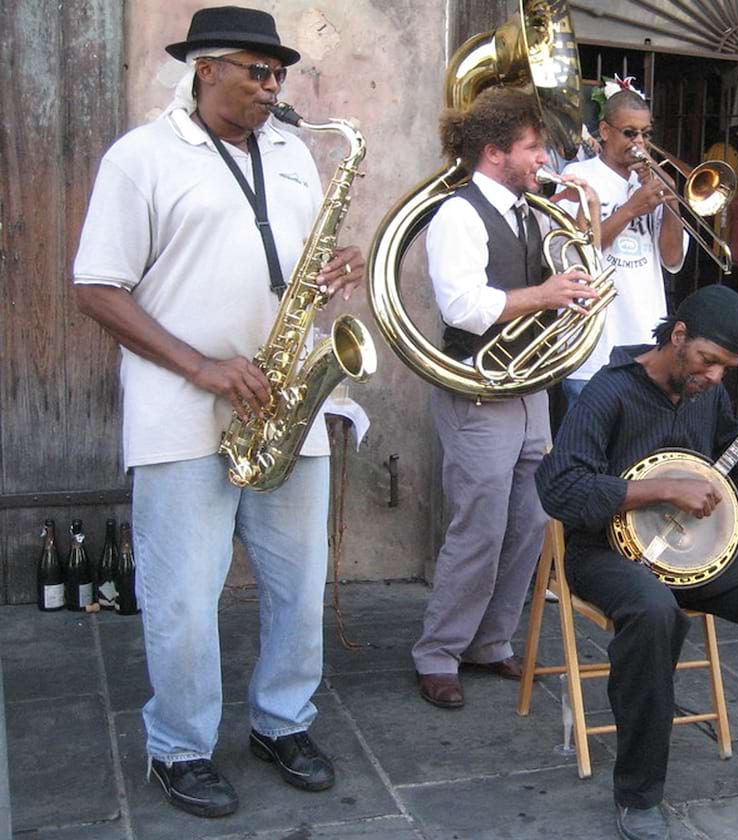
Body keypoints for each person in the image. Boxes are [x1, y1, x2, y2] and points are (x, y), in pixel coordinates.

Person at [72, 6, 361, 818]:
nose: (273, 88)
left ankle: (281, 721)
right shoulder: (142, 158)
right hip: (181, 410)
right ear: (205, 68)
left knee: (299, 590)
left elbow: (298, 261)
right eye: (256, 72)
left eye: (278, 75)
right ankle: (179, 746)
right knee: (184, 602)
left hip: (284, 403)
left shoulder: (295, 154)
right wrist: (199, 365)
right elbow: (95, 286)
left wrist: (338, 266)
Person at [536, 286, 738, 840]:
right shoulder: (608, 394)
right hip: (604, 553)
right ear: (677, 337)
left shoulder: (706, 394)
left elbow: (734, 460)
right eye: (708, 361)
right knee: (656, 613)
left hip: (691, 552)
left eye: (727, 368)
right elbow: (561, 488)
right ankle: (637, 795)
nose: (714, 377)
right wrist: (657, 490)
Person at [412, 86, 601, 710]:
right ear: (495, 153)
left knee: (530, 523)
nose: (543, 158)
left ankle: (490, 642)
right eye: (533, 148)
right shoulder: (458, 214)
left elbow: (562, 279)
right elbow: (463, 308)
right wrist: (545, 295)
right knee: (480, 527)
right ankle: (439, 652)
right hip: (479, 390)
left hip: (529, 387)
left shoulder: (533, 211)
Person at [556, 86, 687, 403]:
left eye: (645, 134)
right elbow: (575, 250)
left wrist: (672, 203)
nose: (639, 143)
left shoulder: (648, 183)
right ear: (604, 131)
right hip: (593, 349)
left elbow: (672, 259)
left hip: (645, 346)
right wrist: (631, 208)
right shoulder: (578, 176)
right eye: (629, 133)